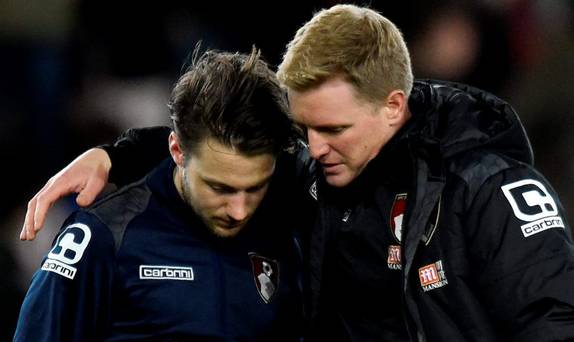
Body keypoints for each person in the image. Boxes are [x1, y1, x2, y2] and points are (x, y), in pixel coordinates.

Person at [20, 4, 574, 341]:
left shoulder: (487, 191)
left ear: (393, 105)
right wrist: (116, 155)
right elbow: (218, 142)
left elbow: (553, 321)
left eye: (332, 129)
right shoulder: (316, 180)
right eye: (305, 129)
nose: (314, 147)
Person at [14, 49, 305, 341]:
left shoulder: (285, 227)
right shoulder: (105, 237)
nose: (239, 210)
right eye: (219, 188)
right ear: (177, 150)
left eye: (255, 187)